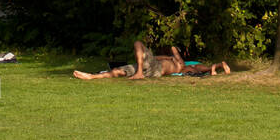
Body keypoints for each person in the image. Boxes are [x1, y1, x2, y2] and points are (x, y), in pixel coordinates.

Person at [73, 43, 230, 81]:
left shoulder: (185, 65)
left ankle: (139, 72)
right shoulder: (177, 62)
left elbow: (173, 48)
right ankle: (92, 77)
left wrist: (215, 68)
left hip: (155, 69)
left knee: (137, 43)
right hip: (153, 67)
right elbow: (169, 51)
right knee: (119, 71)